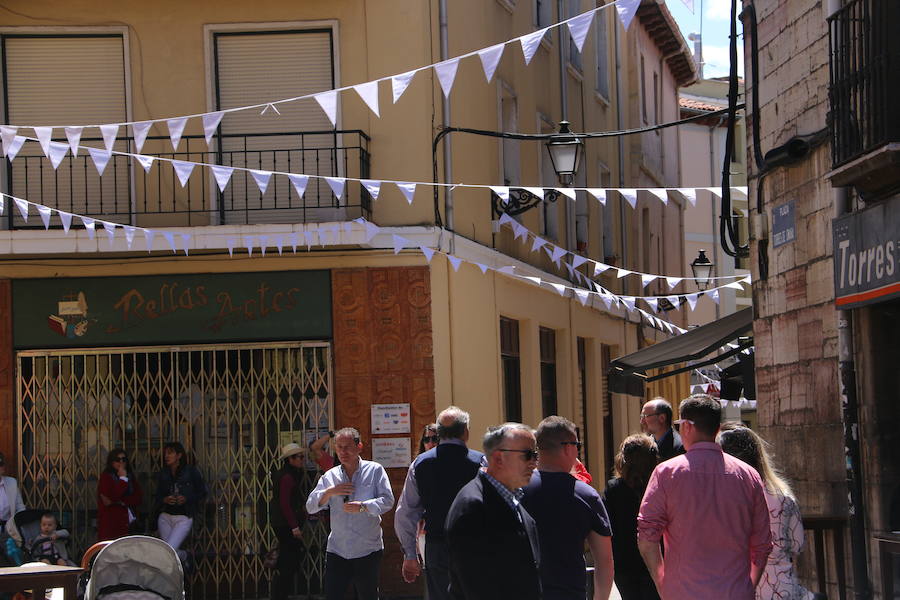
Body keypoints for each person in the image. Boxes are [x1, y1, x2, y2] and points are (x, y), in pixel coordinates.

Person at [637, 394, 772, 600]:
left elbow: (647, 537)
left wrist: (662, 581)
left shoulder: (666, 473)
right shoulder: (748, 475)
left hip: (682, 592)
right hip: (735, 592)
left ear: (687, 426)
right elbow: (762, 544)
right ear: (717, 429)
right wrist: (748, 585)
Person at [718, 423, 824, 600]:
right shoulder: (783, 495)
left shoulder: (721, 498)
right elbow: (797, 544)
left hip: (737, 587)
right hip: (783, 589)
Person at [395, 407, 484, 599]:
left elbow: (405, 513)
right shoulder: (481, 463)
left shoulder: (420, 464)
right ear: (466, 432)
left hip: (437, 546)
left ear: (440, 433)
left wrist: (410, 554)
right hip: (474, 545)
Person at [445, 423, 541, 600]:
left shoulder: (513, 498)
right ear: (498, 459)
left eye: (536, 455)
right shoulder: (472, 507)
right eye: (528, 455)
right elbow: (476, 584)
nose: (534, 463)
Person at [522, 416, 613, 600]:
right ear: (567, 448)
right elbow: (604, 560)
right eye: (577, 445)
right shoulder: (586, 495)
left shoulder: (516, 489)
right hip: (569, 593)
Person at [305, 427, 394, 600]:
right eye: (339, 447)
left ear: (359, 447)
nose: (343, 452)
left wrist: (364, 506)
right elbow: (310, 507)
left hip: (367, 549)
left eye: (347, 447)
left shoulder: (375, 470)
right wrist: (330, 492)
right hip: (338, 550)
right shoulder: (330, 476)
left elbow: (388, 501)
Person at [603, 435, 660, 600]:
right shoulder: (659, 486)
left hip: (624, 563)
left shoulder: (614, 489)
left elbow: (608, 527)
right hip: (655, 559)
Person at [154, 441, 207, 559]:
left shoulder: (191, 471)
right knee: (167, 552)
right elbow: (158, 495)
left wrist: (187, 498)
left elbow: (202, 492)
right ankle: (184, 557)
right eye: (165, 453)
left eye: (170, 453)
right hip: (165, 517)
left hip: (183, 517)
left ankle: (184, 556)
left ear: (179, 455)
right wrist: (165, 499)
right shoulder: (164, 473)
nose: (166, 456)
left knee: (169, 551)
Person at [270, 443, 309, 600]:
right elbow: (285, 504)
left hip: (283, 523)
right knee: (289, 561)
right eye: (299, 457)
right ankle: (279, 595)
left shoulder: (290, 474)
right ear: (290, 459)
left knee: (289, 560)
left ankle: (280, 594)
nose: (302, 459)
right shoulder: (287, 477)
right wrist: (294, 527)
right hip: (285, 525)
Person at [97, 448, 142, 541]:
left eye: (123, 459)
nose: (121, 462)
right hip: (111, 524)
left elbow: (138, 498)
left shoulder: (130, 476)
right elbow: (111, 497)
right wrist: (123, 480)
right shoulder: (106, 477)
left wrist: (121, 501)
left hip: (128, 523)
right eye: (117, 460)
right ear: (112, 462)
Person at [0, 452, 26, 530]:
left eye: (1, 464)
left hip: (9, 530)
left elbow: (20, 507)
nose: (1, 467)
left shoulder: (12, 482)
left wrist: (17, 526)